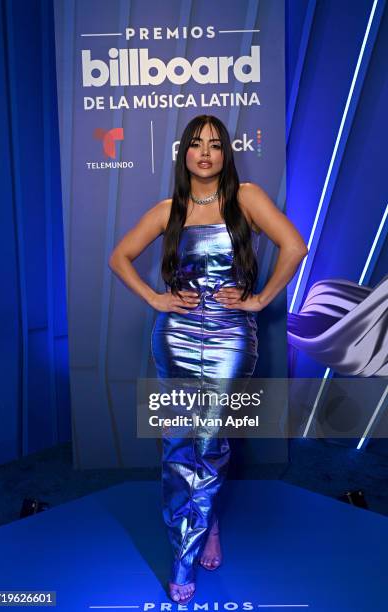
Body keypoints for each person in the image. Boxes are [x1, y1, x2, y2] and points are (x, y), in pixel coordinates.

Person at [108, 114, 308, 603]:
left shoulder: (247, 198)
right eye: (196, 144)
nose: (205, 153)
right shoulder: (168, 209)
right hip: (175, 337)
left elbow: (294, 247)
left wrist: (258, 300)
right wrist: (155, 299)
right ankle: (199, 530)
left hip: (229, 338)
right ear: (184, 154)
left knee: (210, 443)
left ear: (225, 154)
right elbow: (119, 257)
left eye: (215, 145)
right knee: (179, 444)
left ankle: (188, 547)